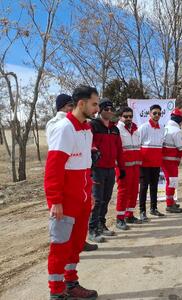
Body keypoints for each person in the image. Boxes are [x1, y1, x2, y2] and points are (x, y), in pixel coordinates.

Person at [44, 85, 99, 299]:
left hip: (82, 200)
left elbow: (85, 167)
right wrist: (55, 201)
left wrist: (89, 194)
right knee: (60, 247)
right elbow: (54, 169)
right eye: (94, 104)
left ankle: (71, 284)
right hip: (65, 201)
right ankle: (57, 293)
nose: (96, 108)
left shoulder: (86, 129)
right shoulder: (64, 128)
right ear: (81, 103)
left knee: (75, 245)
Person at [89, 98, 125, 242]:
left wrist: (121, 168)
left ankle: (101, 225)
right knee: (97, 200)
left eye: (111, 109)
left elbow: (119, 150)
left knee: (106, 199)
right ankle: (92, 229)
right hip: (97, 169)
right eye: (106, 109)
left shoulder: (115, 129)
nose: (109, 112)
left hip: (111, 168)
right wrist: (94, 150)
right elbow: (89, 143)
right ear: (100, 110)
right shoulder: (93, 125)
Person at [115, 107, 143, 230]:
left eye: (130, 116)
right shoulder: (117, 130)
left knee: (133, 191)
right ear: (120, 117)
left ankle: (129, 215)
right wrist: (119, 166)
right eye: (125, 116)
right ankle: (120, 218)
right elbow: (116, 150)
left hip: (135, 166)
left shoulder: (136, 129)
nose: (128, 118)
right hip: (123, 167)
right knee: (123, 192)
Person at [138, 104, 165, 221]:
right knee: (144, 187)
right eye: (154, 113)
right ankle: (142, 211)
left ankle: (153, 208)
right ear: (150, 114)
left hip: (156, 162)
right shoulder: (143, 127)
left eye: (159, 113)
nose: (157, 115)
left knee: (154, 186)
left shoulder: (162, 128)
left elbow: (161, 145)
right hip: (144, 163)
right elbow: (137, 144)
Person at [161, 108, 182, 213]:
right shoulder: (176, 131)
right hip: (171, 162)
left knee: (170, 182)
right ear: (180, 120)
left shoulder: (165, 128)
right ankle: (169, 205)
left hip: (165, 161)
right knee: (172, 182)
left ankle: (171, 201)